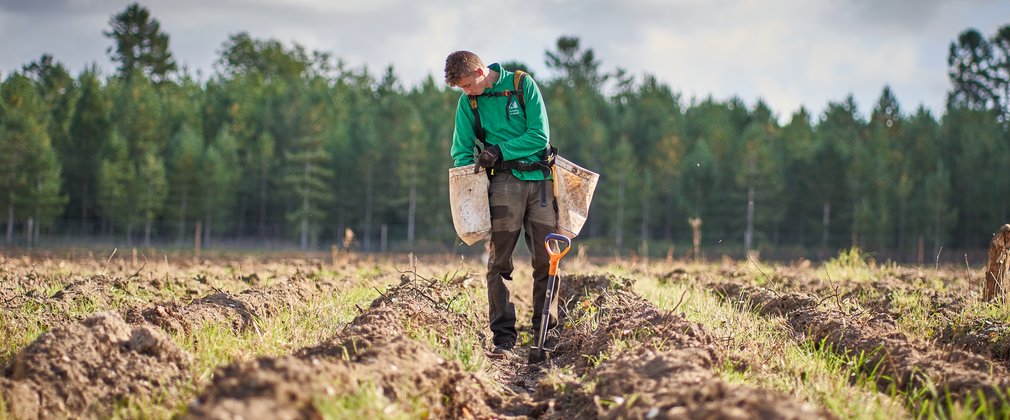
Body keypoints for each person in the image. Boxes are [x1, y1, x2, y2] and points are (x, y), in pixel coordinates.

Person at [444, 51, 558, 359]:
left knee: (548, 261)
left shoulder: (522, 85)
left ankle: (546, 336)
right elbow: (462, 150)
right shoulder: (468, 103)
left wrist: (499, 149)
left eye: (469, 84)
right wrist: (468, 189)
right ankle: (503, 338)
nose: (467, 92)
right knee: (499, 263)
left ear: (481, 71)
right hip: (502, 185)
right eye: (461, 88)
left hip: (541, 183)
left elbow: (538, 135)